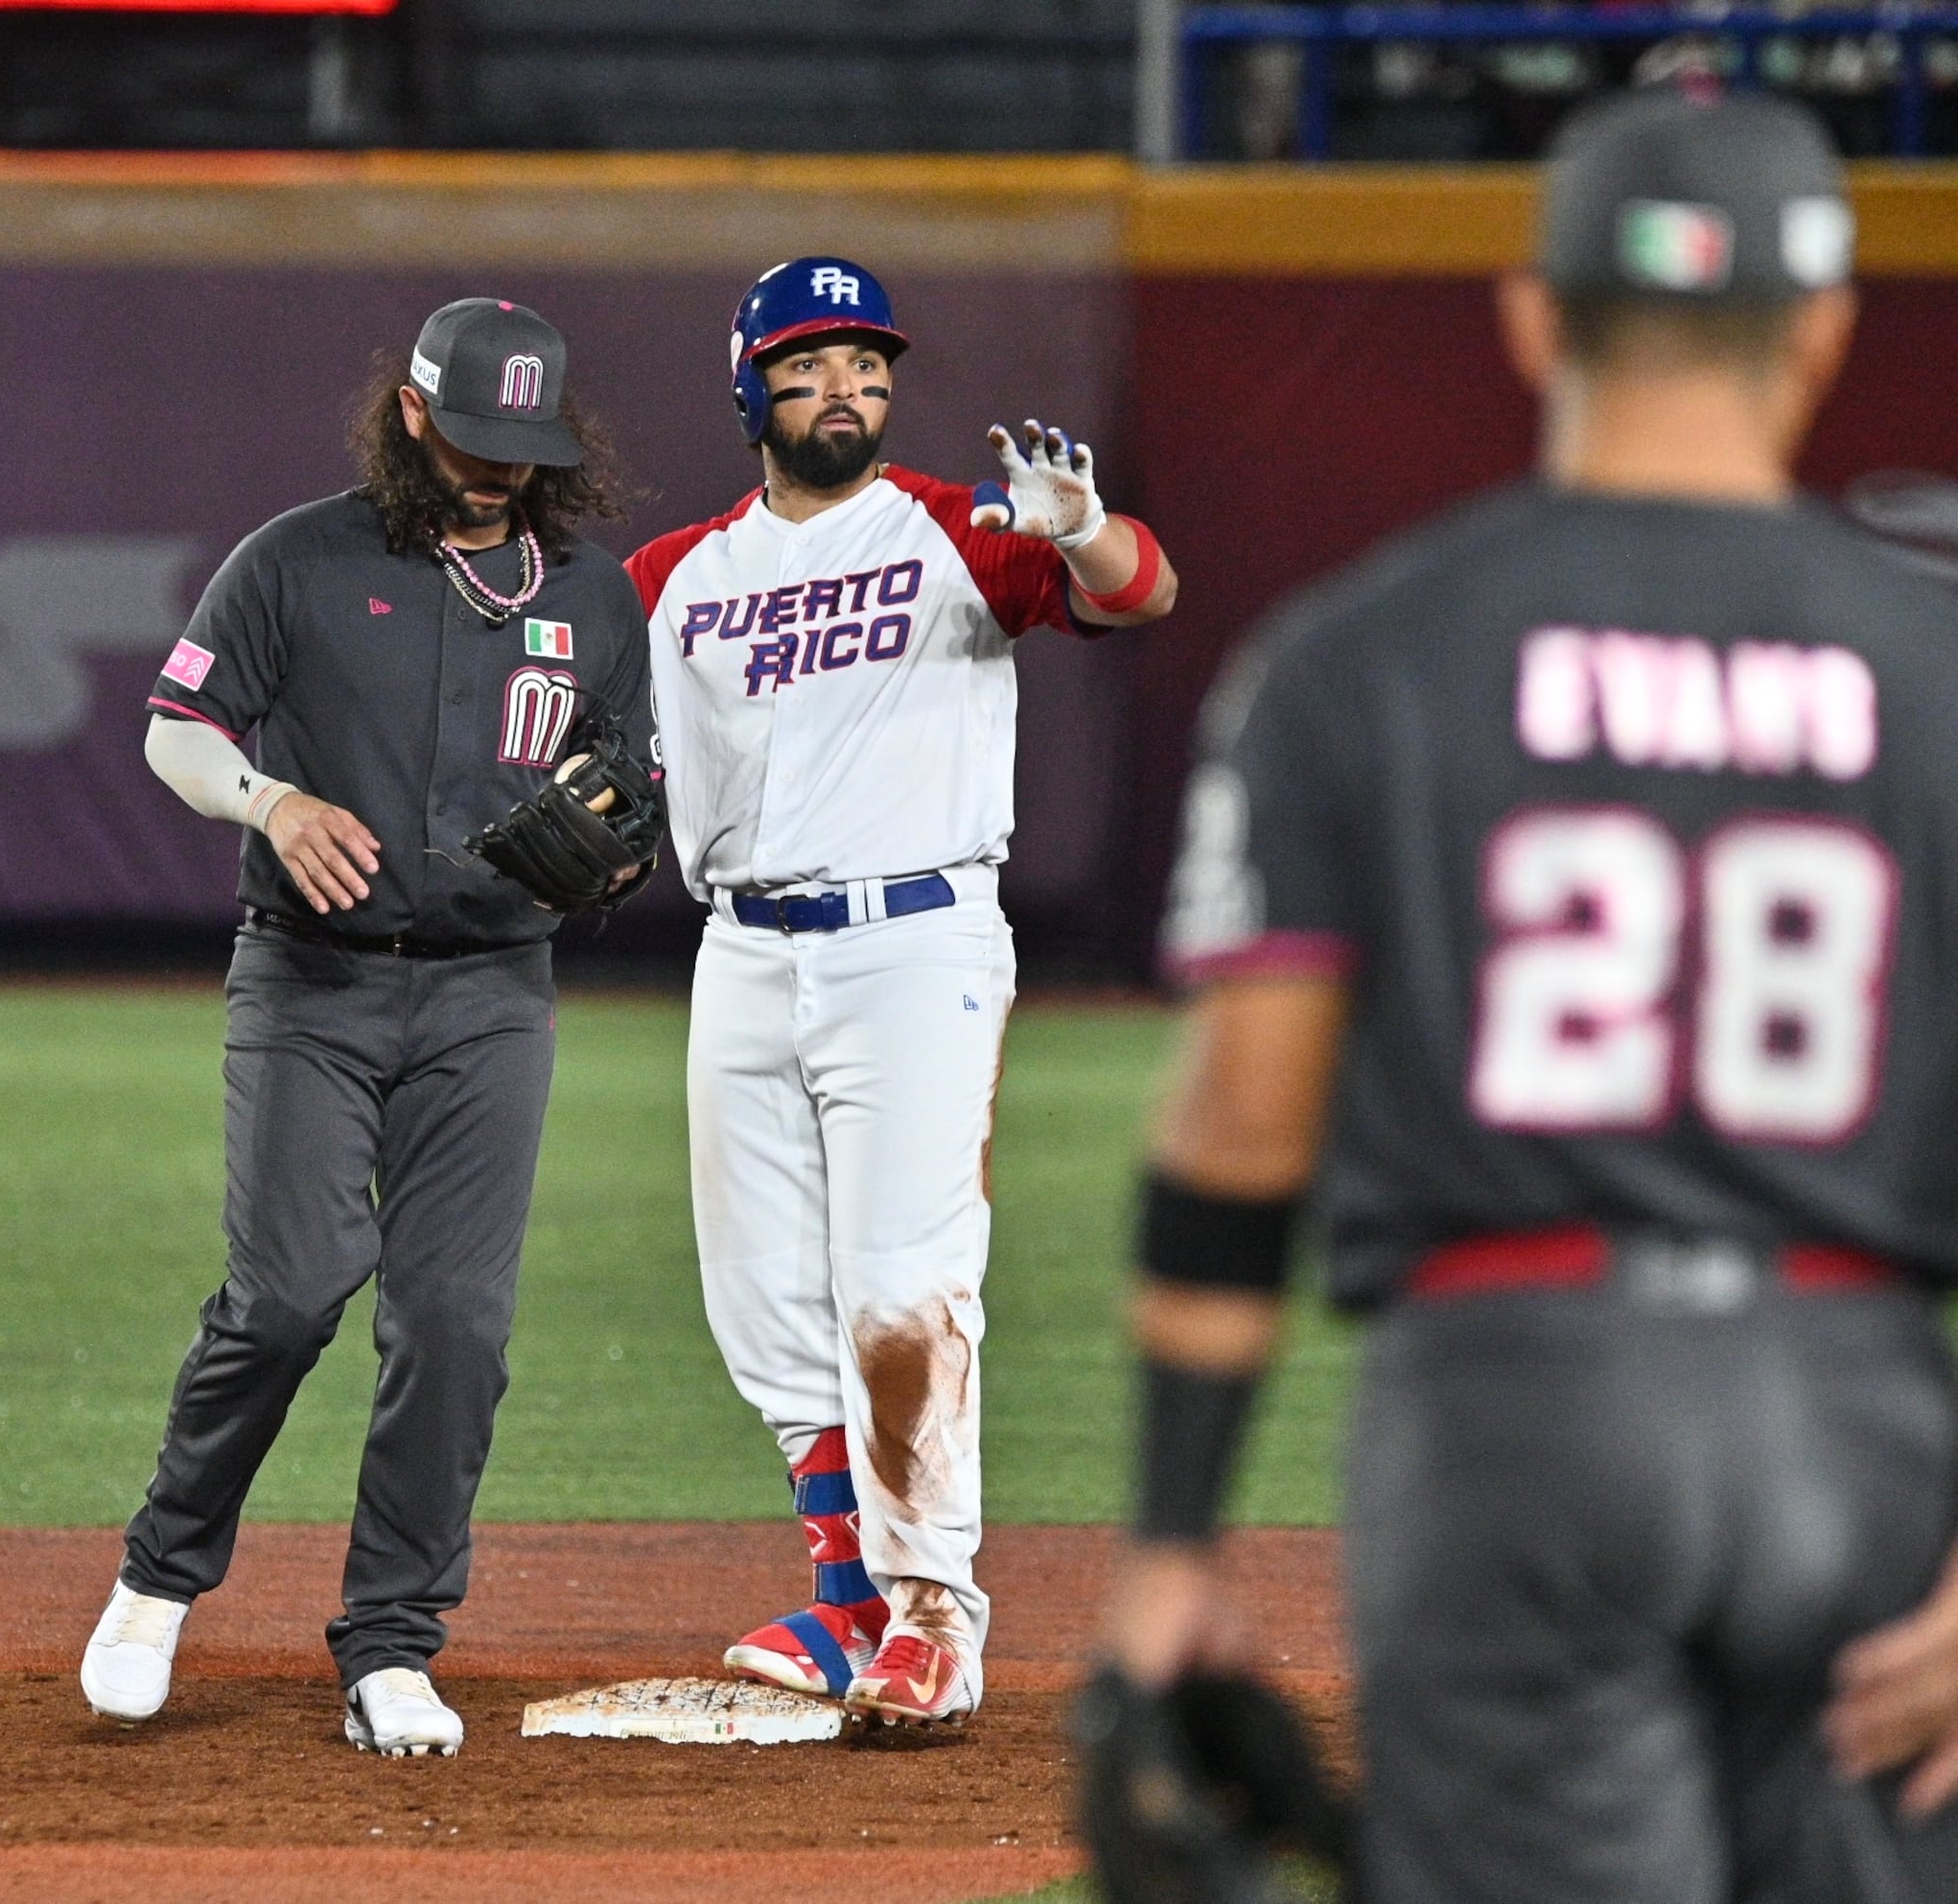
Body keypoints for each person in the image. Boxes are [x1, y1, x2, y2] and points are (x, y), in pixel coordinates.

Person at [1099, 91, 1958, 1898]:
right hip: (1854, 1416)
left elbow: (1243, 1124)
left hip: (1513, 1410)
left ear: (1531, 314)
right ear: (1821, 329)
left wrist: (1175, 1548)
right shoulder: (1931, 666)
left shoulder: (1361, 655)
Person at [78, 298, 653, 1759]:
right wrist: (270, 798)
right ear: (411, 411)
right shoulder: (301, 559)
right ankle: (158, 1574)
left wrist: (623, 850)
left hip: (490, 996)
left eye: (522, 448)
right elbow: (174, 727)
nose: (493, 470)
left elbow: (625, 795)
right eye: (469, 437)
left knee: (457, 1324)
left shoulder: (591, 595)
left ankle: (392, 1642)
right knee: (287, 1291)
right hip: (312, 980)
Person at [628, 257, 1179, 1725]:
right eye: (811, 363)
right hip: (741, 945)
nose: (847, 388)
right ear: (751, 385)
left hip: (915, 938)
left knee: (901, 1285)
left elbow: (1140, 594)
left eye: (869, 363)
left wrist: (1093, 532)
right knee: (763, 1305)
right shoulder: (673, 576)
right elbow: (621, 755)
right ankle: (845, 1600)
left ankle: (938, 1609)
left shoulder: (954, 530)